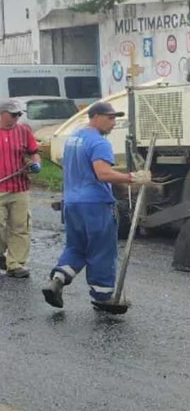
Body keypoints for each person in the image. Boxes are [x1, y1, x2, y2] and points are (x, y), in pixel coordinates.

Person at [41, 101, 153, 309]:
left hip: (72, 203)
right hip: (95, 204)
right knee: (102, 250)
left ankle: (57, 279)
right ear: (95, 117)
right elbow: (103, 174)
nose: (113, 123)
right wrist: (133, 177)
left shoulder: (74, 137)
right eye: (110, 118)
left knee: (76, 247)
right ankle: (103, 296)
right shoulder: (99, 143)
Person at [0, 99, 42, 279]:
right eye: (12, 115)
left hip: (19, 187)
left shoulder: (24, 131)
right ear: (2, 114)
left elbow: (34, 152)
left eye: (18, 115)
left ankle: (16, 264)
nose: (16, 118)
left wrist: (36, 164)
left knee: (20, 226)